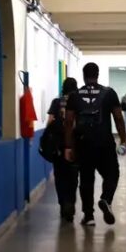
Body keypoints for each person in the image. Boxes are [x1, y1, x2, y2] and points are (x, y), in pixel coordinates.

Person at [64, 63, 126, 226]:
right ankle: (106, 198)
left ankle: (89, 216)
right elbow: (118, 117)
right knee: (112, 173)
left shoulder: (75, 95)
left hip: (83, 143)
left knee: (86, 179)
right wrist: (123, 140)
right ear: (98, 74)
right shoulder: (109, 93)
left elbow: (69, 122)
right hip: (104, 142)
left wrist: (68, 146)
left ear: (84, 76)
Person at [46, 77, 79, 223]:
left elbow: (50, 122)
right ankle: (70, 204)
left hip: (58, 146)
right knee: (73, 177)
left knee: (59, 176)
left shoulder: (56, 102)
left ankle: (62, 204)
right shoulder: (79, 102)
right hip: (74, 144)